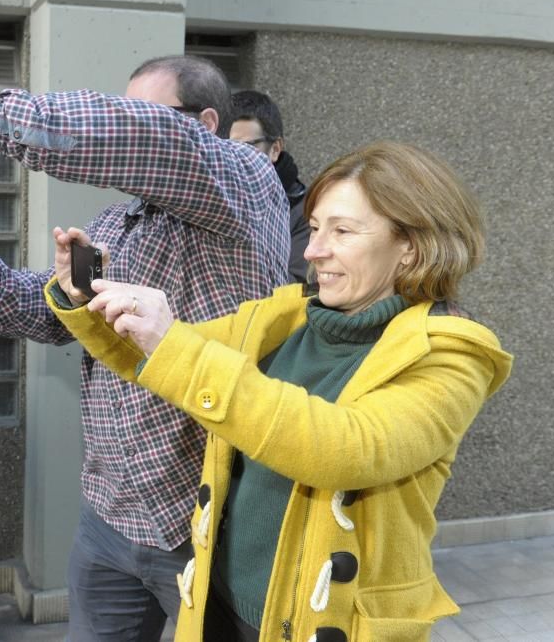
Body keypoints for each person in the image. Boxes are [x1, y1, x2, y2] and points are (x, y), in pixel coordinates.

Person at [46, 141, 513, 641]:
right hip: (219, 602)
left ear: (412, 246)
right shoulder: (283, 317)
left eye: (342, 231)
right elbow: (157, 360)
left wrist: (175, 342)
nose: (312, 251)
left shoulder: (451, 353)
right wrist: (89, 303)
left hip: (324, 622)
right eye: (314, 229)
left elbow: (343, 448)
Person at [0, 55, 290, 640]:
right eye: (122, 107)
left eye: (141, 112)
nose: (123, 122)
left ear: (205, 124)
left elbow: (140, 137)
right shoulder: (119, 220)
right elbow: (62, 320)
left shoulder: (246, 183)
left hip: (208, 526)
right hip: (108, 517)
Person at [230, 90, 311, 283]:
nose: (231, 158)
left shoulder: (305, 210)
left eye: (245, 148)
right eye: (223, 147)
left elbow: (296, 285)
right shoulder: (213, 199)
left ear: (275, 149)